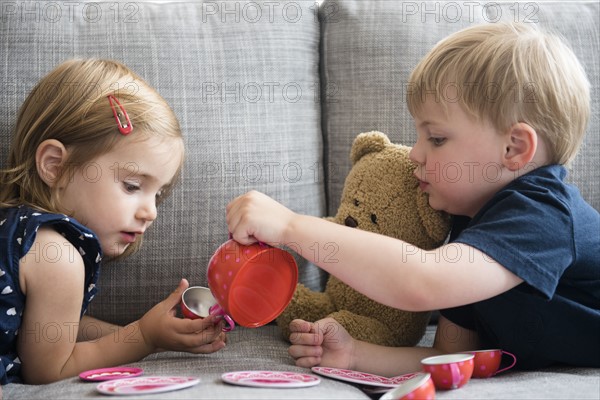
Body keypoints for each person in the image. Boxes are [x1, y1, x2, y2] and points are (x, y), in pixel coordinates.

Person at [226, 22, 600, 375]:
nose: (414, 155)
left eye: (436, 139)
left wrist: (291, 226)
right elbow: (450, 356)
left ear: (513, 147)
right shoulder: (473, 228)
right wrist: (355, 354)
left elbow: (422, 281)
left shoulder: (542, 213)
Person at [0, 59, 226, 384]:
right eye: (132, 186)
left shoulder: (21, 231)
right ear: (55, 166)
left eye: (158, 195)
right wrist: (144, 337)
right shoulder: (58, 256)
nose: (151, 212)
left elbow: (55, 327)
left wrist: (143, 332)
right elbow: (48, 368)